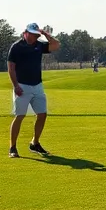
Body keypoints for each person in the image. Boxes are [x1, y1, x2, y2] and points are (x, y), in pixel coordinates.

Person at [7, 23, 61, 158]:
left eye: (36, 35)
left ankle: (35, 143)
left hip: (37, 85)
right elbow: (11, 68)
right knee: (20, 116)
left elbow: (55, 45)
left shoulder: (39, 45)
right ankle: (12, 148)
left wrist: (46, 34)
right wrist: (16, 85)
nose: (34, 37)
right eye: (32, 34)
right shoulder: (16, 47)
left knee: (42, 114)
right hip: (22, 85)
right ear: (25, 33)